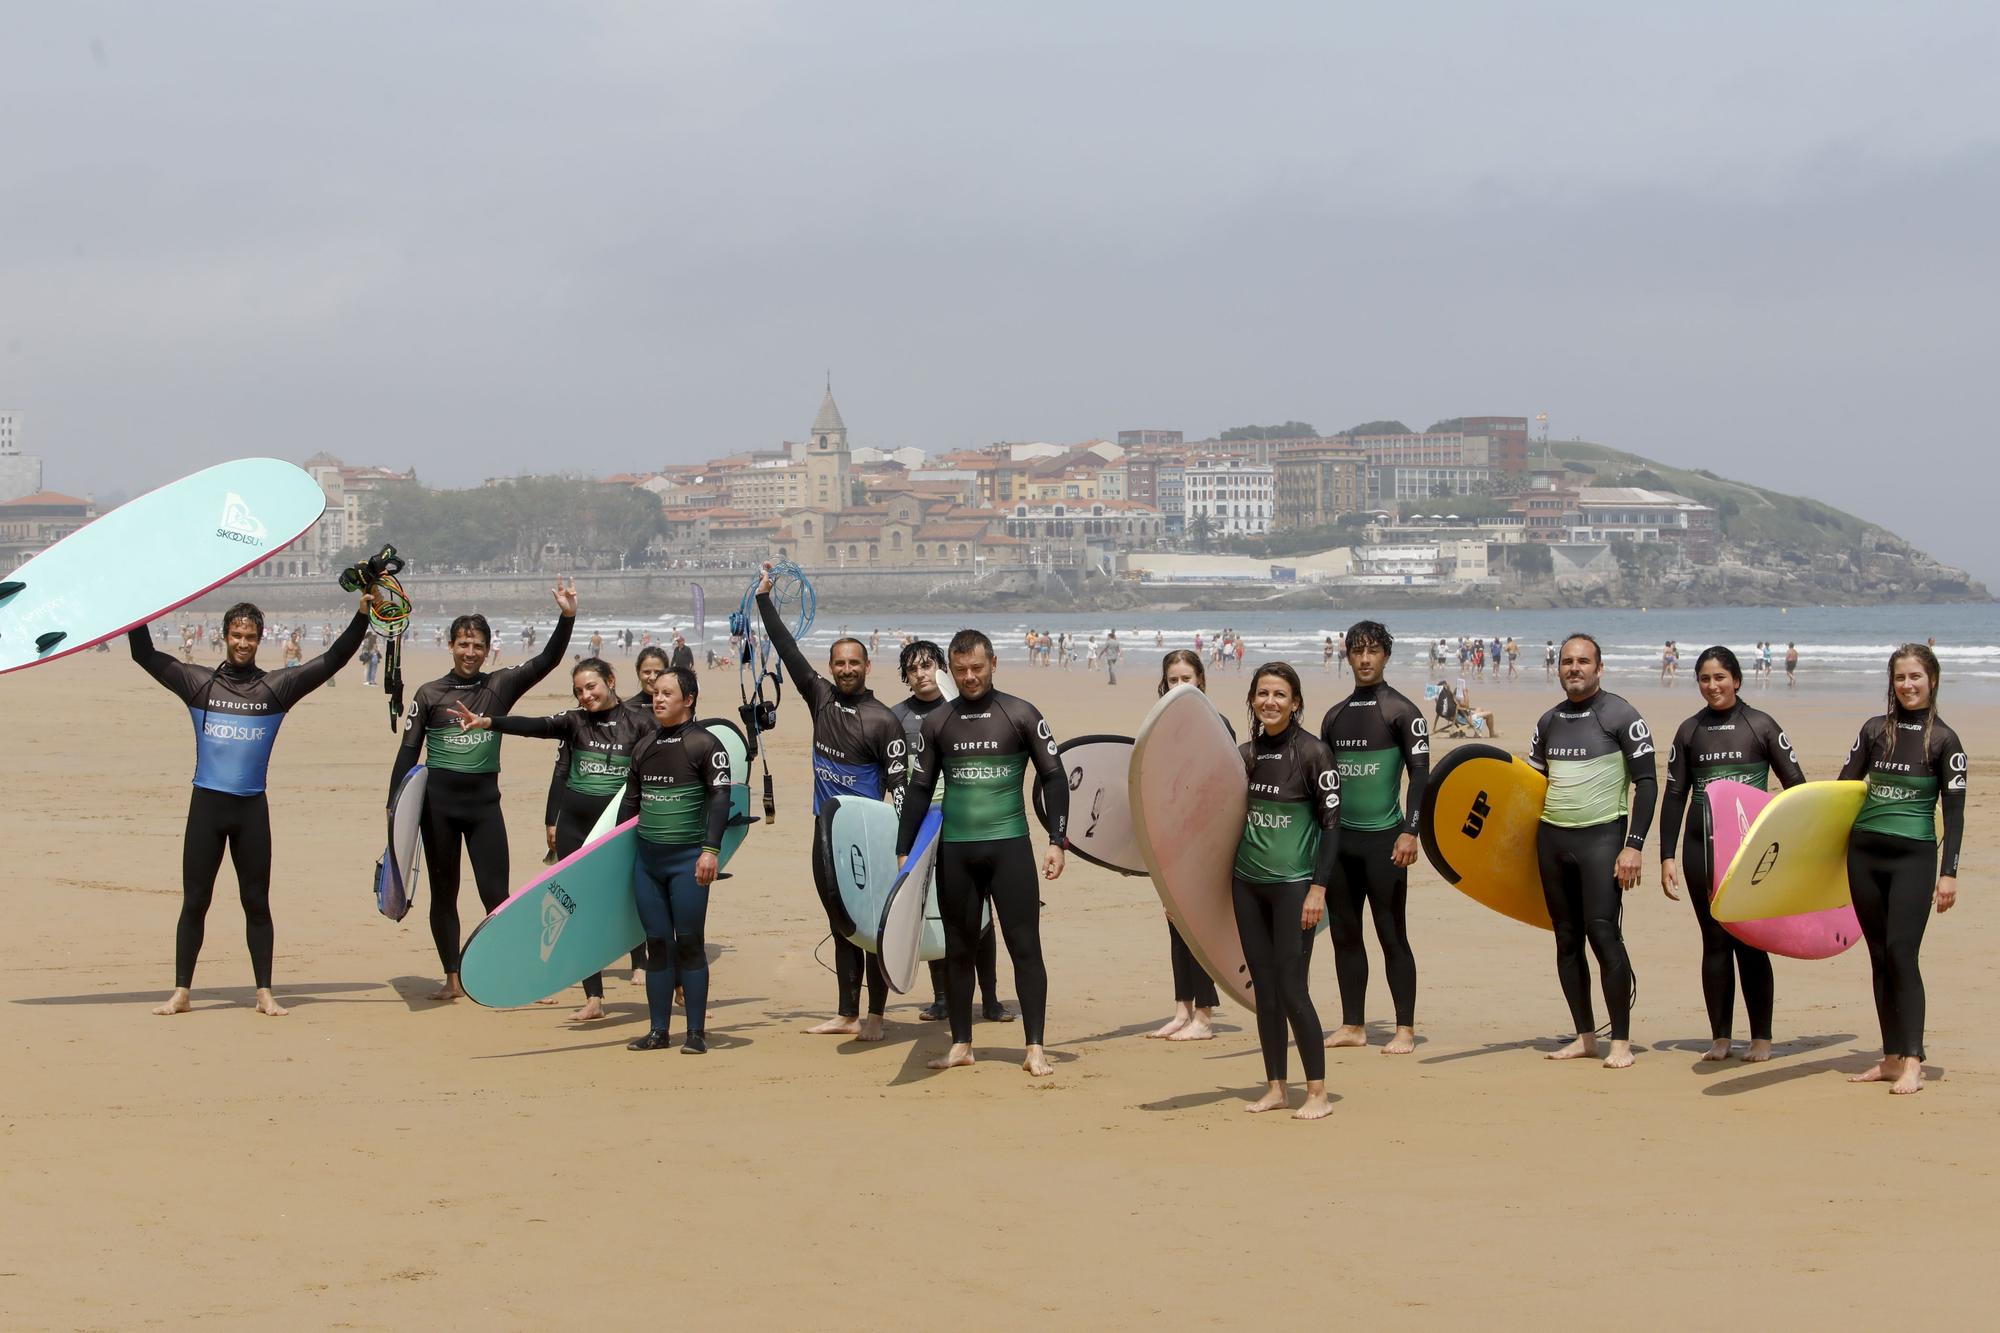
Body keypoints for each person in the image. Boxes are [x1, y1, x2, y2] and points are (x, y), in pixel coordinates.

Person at [132, 589, 373, 1016]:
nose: (243, 642)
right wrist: (135, 606)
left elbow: (333, 660)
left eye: (250, 636)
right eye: (236, 634)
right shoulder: (200, 683)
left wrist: (362, 615)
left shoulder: (275, 688)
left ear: (259, 639)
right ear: (226, 636)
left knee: (256, 902)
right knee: (195, 901)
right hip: (206, 806)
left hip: (250, 810)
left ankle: (264, 992)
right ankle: (182, 991)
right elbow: (145, 655)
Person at [390, 579, 577, 1002]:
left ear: (488, 649)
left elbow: (547, 660)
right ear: (450, 645)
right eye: (462, 644)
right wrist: (393, 816)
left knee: (497, 894)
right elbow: (406, 756)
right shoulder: (429, 694)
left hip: (484, 808)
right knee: (445, 894)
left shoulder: (499, 687)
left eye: (477, 645)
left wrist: (567, 617)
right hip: (437, 809)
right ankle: (452, 978)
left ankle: (514, 972)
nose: (470, 652)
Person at [897, 629, 1068, 1076]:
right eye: (961, 670)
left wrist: (1056, 840)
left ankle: (1034, 1048)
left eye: (977, 667)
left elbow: (1055, 777)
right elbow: (918, 790)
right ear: (949, 671)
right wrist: (904, 850)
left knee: (1025, 948)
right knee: (957, 950)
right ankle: (961, 1044)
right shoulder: (939, 723)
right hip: (956, 852)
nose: (970, 677)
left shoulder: (1020, 713)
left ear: (993, 662)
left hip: (1010, 848)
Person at [757, 564, 907, 1042]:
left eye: (854, 663)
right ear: (831, 667)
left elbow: (901, 792)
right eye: (838, 662)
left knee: (870, 930)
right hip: (826, 838)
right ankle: (846, 1013)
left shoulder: (884, 721)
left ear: (867, 667)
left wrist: (904, 849)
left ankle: (877, 1017)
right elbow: (786, 648)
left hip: (869, 841)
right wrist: (763, 600)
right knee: (841, 924)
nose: (845, 669)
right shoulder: (819, 697)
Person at [458, 655, 653, 1021]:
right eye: (579, 690)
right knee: (575, 910)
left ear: (611, 680)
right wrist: (488, 721)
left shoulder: (641, 723)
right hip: (575, 825)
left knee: (632, 900)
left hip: (618, 826)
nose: (585, 696)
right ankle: (593, 997)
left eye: (591, 686)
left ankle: (650, 969)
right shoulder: (574, 722)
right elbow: (533, 726)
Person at [1658, 646, 1807, 1062]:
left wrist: (1796, 846)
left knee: (1752, 943)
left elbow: (1796, 785)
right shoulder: (1690, 731)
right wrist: (1666, 855)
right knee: (1715, 941)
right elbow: (1674, 796)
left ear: (1737, 680)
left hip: (1751, 853)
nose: (1713, 685)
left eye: (1720, 677)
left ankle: (1761, 1038)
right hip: (1700, 847)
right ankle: (1720, 1037)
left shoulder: (1760, 725)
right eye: (1705, 678)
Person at [1836, 644, 1965, 1094]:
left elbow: (1956, 813)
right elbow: (1843, 788)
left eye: (1915, 676)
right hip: (1864, 856)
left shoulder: (1945, 741)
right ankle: (1891, 1057)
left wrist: (1948, 872)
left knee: (1901, 954)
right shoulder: (1875, 731)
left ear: (1932, 679)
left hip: (1914, 858)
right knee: (1877, 955)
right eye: (1899, 678)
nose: (1907, 685)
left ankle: (1914, 1060)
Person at [1526, 633, 1657, 1068]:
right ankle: (1585, 1036)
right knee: (1566, 940)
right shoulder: (1548, 722)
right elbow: (1529, 791)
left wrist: (1633, 846)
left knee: (1603, 934)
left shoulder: (1621, 715)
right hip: (1553, 841)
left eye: (1583, 661)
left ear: (1600, 668)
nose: (1574, 668)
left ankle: (1621, 1040)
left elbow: (1648, 783)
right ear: (1558, 668)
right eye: (1567, 662)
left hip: (1602, 838)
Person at [1234, 662, 1340, 1118]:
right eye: (1262, 694)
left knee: (1293, 989)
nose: (1270, 702)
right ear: (1253, 700)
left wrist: (1318, 889)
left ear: (1295, 701)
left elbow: (1333, 828)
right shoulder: (1243, 755)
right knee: (1266, 993)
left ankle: (1317, 1092)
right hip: (1247, 885)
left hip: (1294, 887)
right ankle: (1277, 1086)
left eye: (1279, 694)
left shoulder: (1314, 753)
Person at [1319, 621, 1429, 1055]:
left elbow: (1421, 774)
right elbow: (1323, 783)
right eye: (1357, 651)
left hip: (1385, 843)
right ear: (1347, 656)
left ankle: (1404, 1028)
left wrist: (1411, 830)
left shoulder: (1402, 711)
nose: (1365, 659)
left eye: (1373, 651)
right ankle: (1353, 1024)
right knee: (1345, 934)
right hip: (1340, 845)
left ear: (1385, 656)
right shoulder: (1335, 715)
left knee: (1391, 934)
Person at [892, 640, 1011, 1025]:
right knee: (932, 912)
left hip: (961, 821)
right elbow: (892, 777)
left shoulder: (960, 711)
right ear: (906, 677)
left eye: (928, 665)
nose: (922, 673)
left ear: (942, 668)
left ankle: (990, 997)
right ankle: (942, 997)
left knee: (981, 916)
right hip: (921, 824)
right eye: (913, 669)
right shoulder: (897, 719)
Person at [614, 668, 731, 1052]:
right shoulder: (644, 746)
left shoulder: (705, 744)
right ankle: (658, 1031)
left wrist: (710, 851)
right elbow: (628, 808)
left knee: (690, 944)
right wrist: (610, 858)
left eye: (667, 693)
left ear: (689, 699)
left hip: (687, 862)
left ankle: (695, 1032)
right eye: (655, 693)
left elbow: (720, 801)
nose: (658, 699)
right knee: (656, 946)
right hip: (647, 863)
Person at [1149, 650, 1223, 1041]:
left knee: (1198, 928)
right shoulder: (1160, 726)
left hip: (1206, 844)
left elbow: (1224, 790)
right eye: (1172, 680)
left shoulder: (1217, 725)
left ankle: (1205, 1017)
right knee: (1174, 923)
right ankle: (1183, 1009)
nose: (1179, 686)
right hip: (1172, 843)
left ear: (1201, 682)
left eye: (1186, 679)